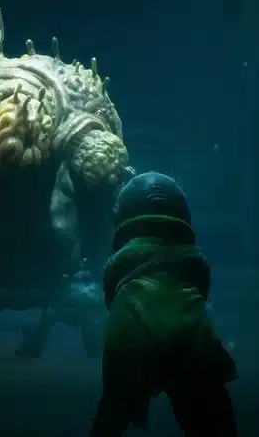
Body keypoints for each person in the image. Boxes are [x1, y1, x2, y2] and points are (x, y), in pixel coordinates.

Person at [89, 172, 238, 437]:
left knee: (110, 418)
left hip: (130, 329)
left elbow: (111, 289)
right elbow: (200, 282)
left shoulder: (124, 260)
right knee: (213, 421)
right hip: (189, 331)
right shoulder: (188, 258)